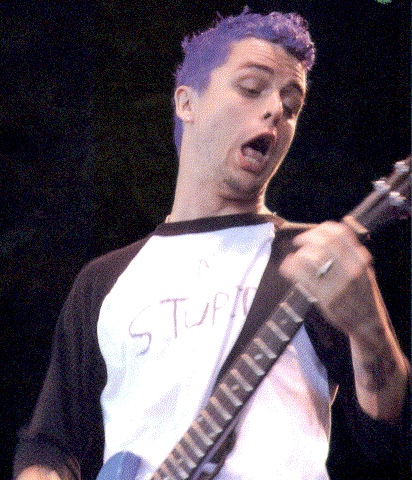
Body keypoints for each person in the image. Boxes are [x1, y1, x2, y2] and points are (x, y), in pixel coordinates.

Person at [14, 9, 410, 480]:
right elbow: (50, 444)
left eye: (291, 104)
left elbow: (387, 437)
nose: (276, 110)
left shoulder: (313, 258)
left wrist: (369, 328)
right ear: (187, 103)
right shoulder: (103, 281)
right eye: (251, 88)